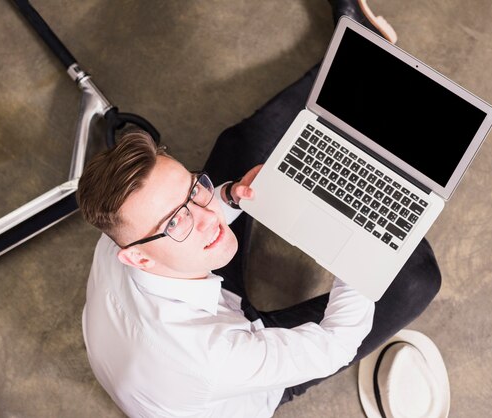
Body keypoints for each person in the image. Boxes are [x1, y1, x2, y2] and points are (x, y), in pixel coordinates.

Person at [77, 1, 441, 417]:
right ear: (137, 257)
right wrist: (356, 247)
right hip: (227, 382)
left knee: (239, 150)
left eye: (194, 188)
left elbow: (199, 209)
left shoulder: (121, 230)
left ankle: (363, 48)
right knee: (416, 278)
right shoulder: (217, 358)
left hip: (156, 348)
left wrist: (231, 194)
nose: (208, 216)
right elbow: (336, 345)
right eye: (177, 221)